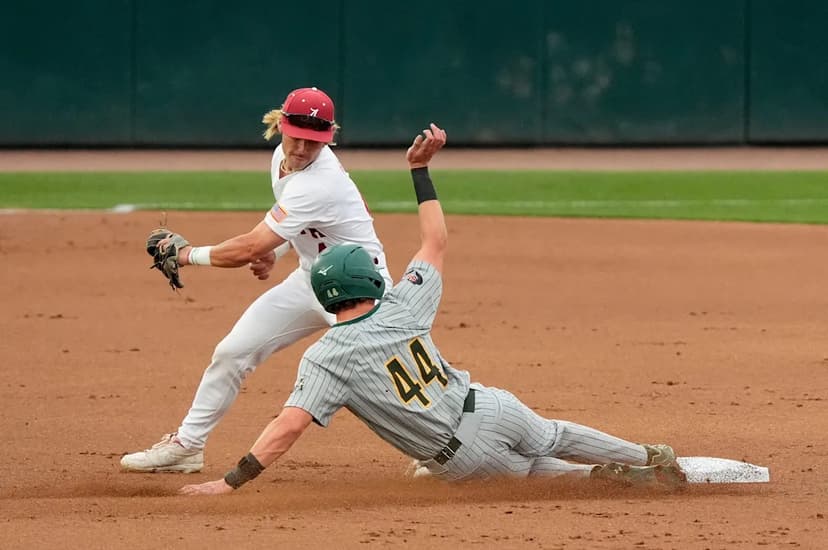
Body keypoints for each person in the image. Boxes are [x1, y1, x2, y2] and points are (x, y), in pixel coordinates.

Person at [177, 123, 687, 496]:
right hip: (493, 408)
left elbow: (287, 428)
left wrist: (229, 483)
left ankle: (608, 480)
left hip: (463, 458)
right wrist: (420, 170)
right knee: (555, 434)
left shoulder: (327, 359)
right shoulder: (402, 302)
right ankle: (647, 457)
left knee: (536, 477)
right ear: (370, 281)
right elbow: (435, 241)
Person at [121, 86, 393, 473]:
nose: (301, 148)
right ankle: (188, 446)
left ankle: (435, 448)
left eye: (313, 143)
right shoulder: (282, 158)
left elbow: (247, 247)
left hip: (360, 291)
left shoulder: (320, 179)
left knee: (381, 378)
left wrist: (186, 255)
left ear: (328, 139)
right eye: (296, 137)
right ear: (281, 125)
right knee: (232, 352)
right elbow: (301, 219)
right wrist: (278, 250)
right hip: (311, 279)